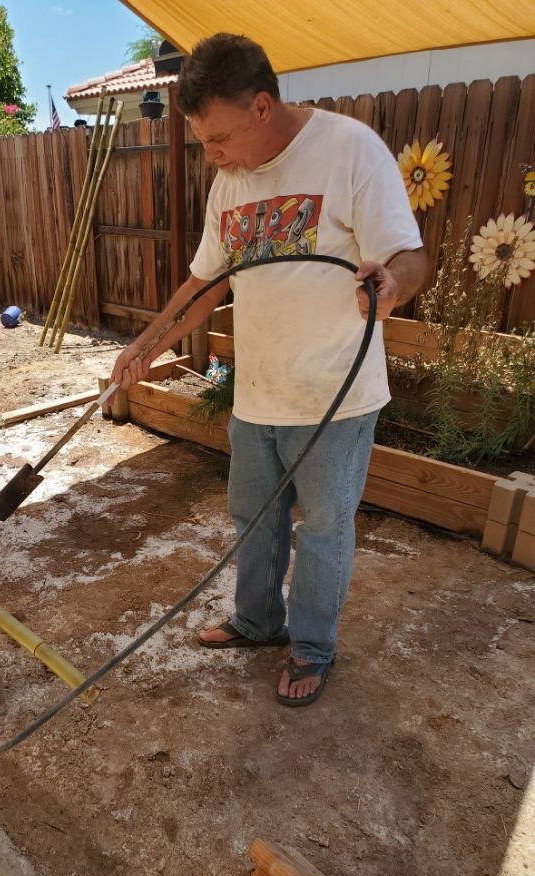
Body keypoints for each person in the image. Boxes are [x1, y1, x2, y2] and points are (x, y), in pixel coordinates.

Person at [111, 33, 427, 707]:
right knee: (253, 515)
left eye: (219, 137)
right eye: (203, 141)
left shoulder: (349, 150)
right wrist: (145, 345)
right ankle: (257, 621)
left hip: (335, 396)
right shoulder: (229, 182)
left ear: (261, 106)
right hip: (258, 392)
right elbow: (205, 284)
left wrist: (392, 285)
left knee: (323, 529)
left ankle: (312, 646)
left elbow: (409, 256)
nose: (212, 154)